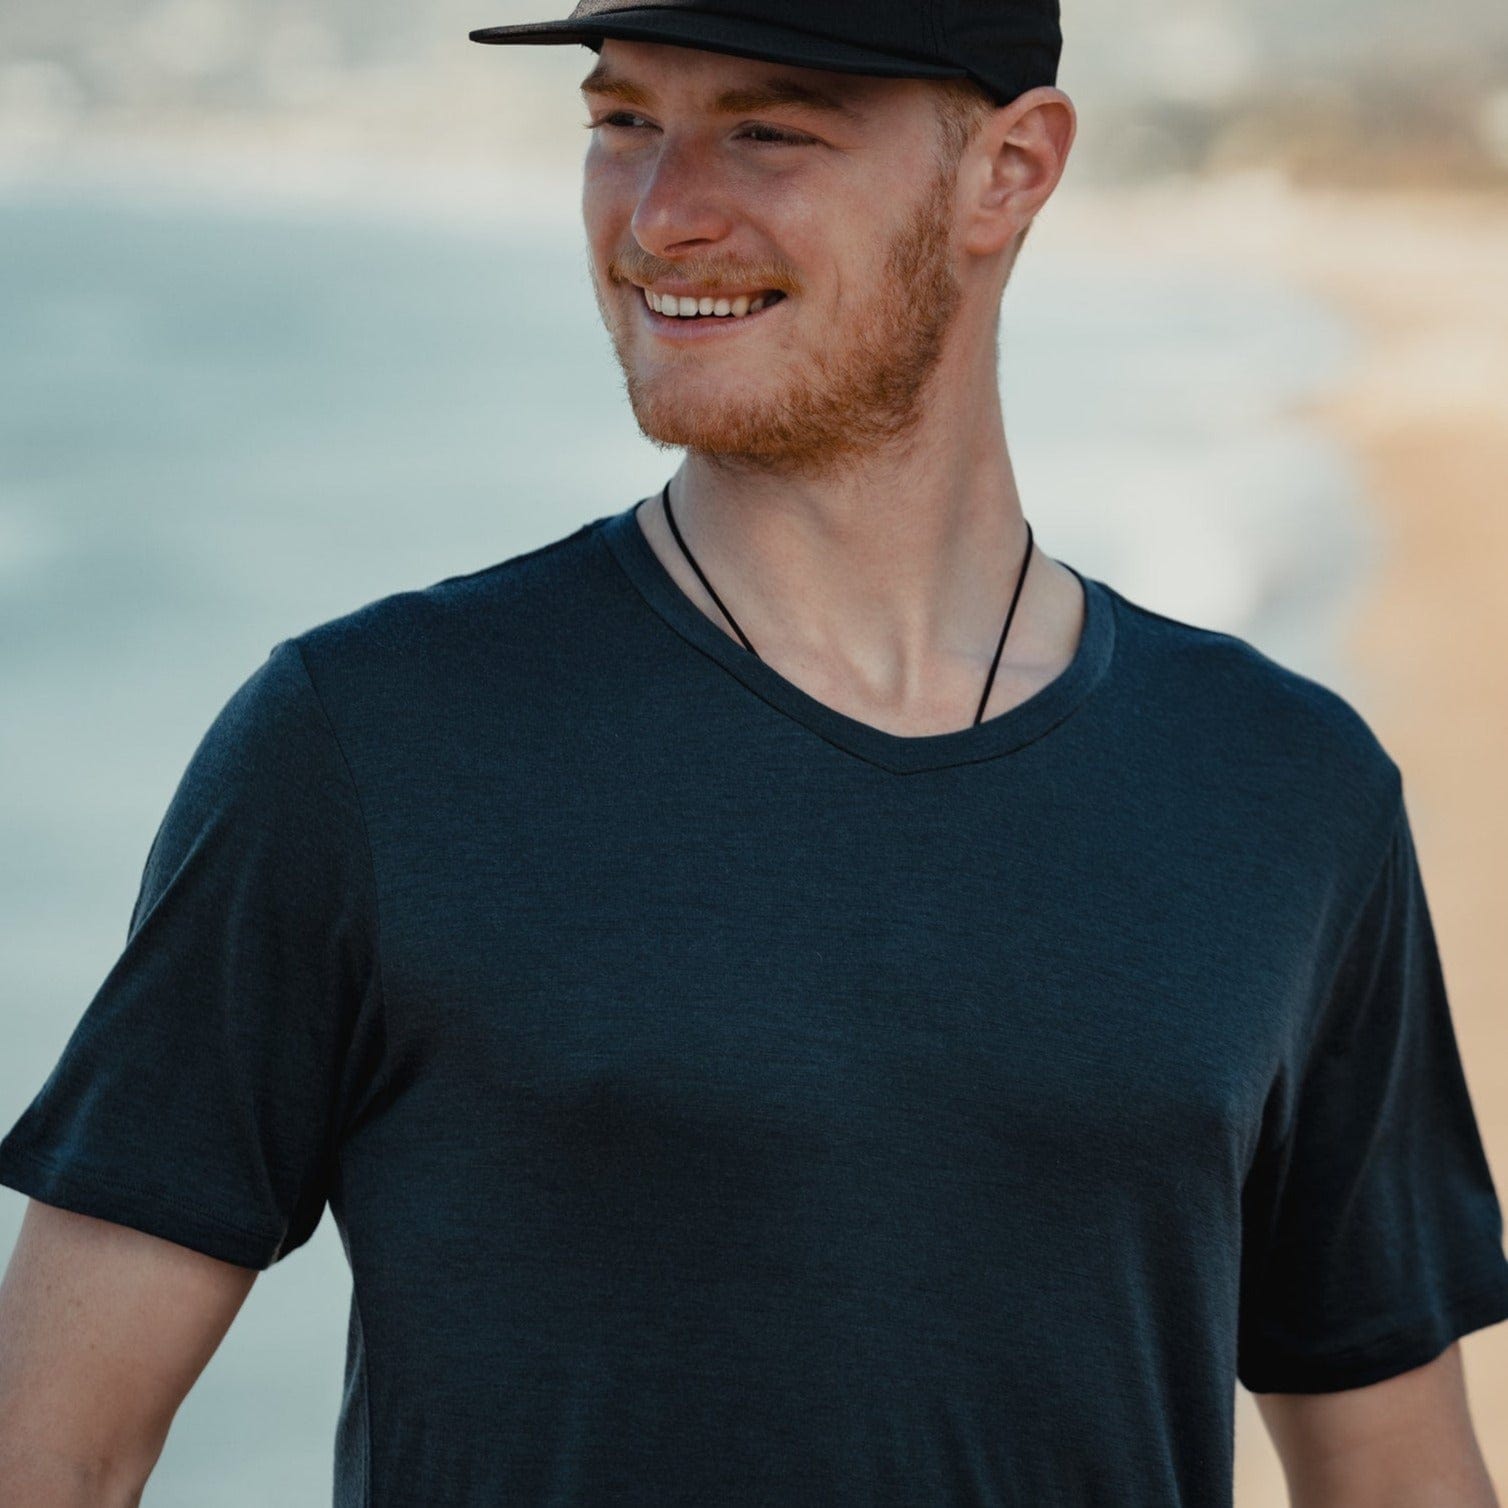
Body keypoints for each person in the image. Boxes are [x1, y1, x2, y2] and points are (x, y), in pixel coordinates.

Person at [1, 2, 1506, 1504]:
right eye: (622, 123)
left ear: (1010, 170)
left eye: (769, 131)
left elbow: (1399, 1475)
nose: (663, 216)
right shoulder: (365, 745)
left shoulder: (1287, 793)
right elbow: (49, 1449)